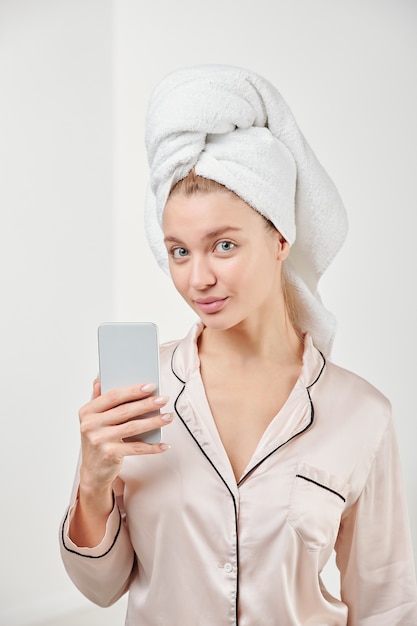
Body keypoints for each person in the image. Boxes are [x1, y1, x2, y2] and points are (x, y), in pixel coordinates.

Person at [60, 65, 417, 625]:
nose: (197, 278)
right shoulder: (139, 394)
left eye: (223, 245)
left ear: (280, 239)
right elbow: (101, 588)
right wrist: (92, 482)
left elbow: (386, 605)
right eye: (179, 251)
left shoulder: (360, 414)